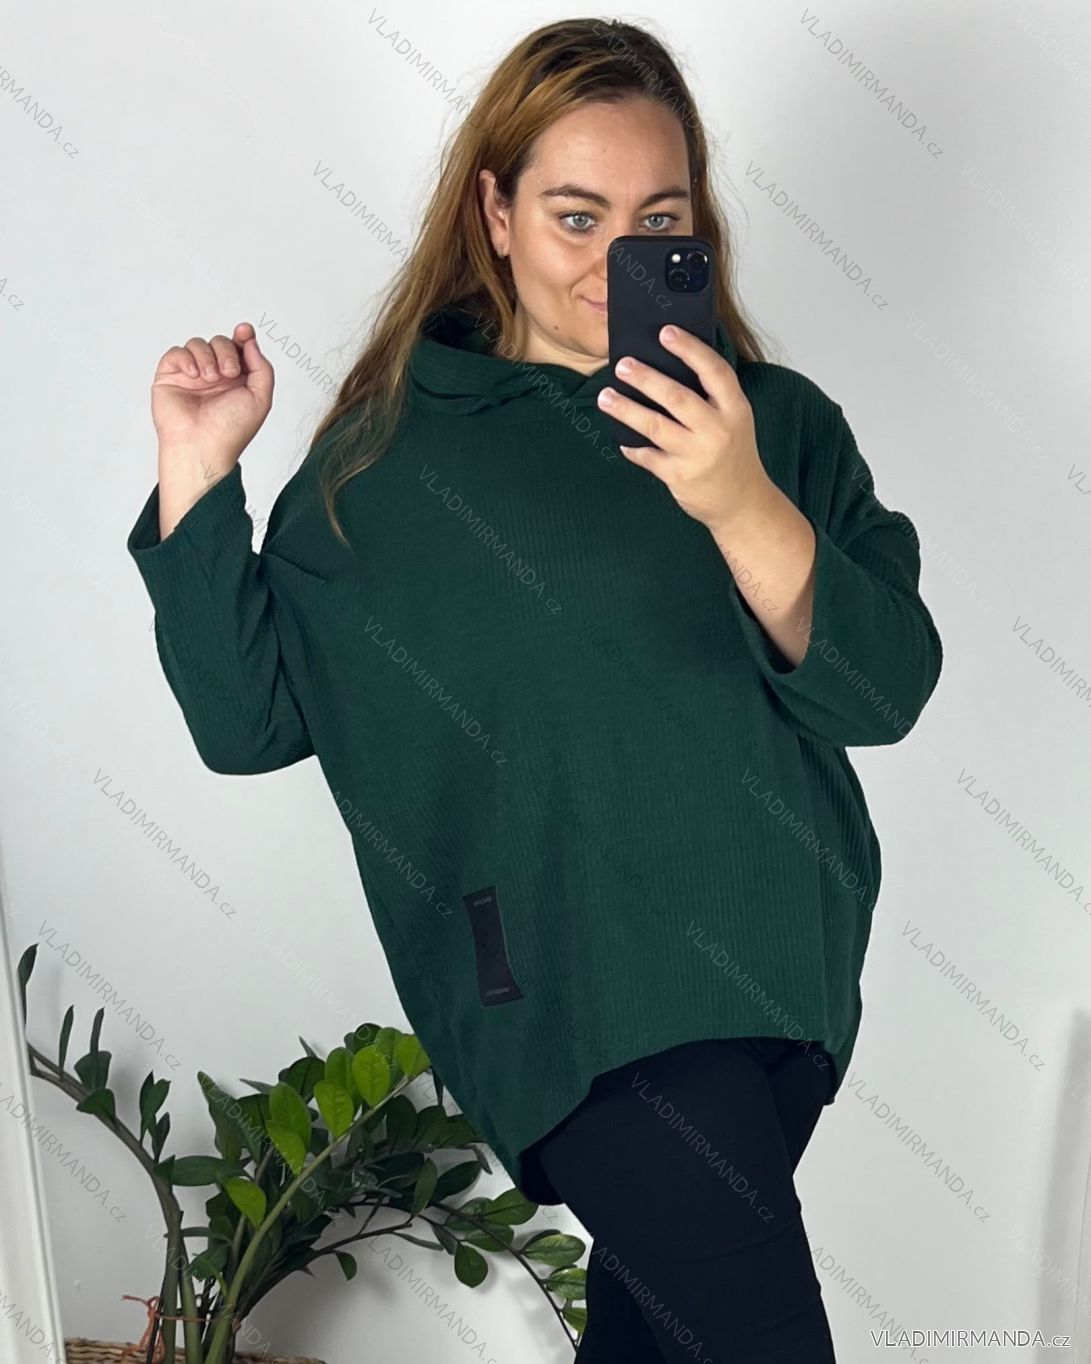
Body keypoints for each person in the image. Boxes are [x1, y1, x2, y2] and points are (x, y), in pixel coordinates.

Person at [126, 18, 943, 1361]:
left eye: (657, 220)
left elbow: (883, 690)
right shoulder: (386, 464)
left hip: (781, 977)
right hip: (576, 996)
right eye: (576, 217)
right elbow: (247, 721)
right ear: (494, 213)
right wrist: (197, 473)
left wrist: (739, 498)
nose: (616, 259)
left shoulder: (775, 423)